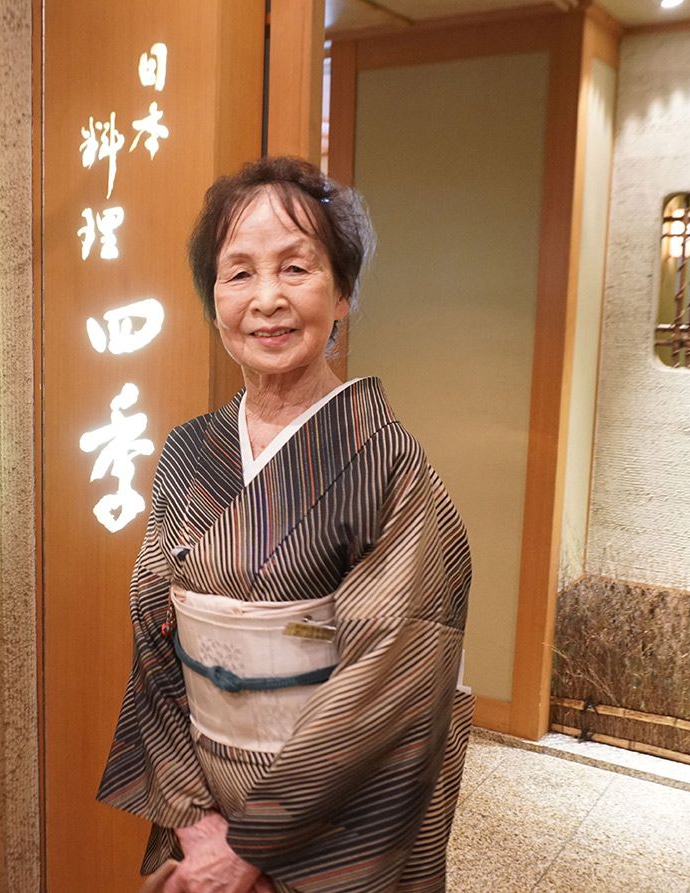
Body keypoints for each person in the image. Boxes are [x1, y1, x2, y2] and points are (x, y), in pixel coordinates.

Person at [97, 156, 473, 893]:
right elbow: (154, 636)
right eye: (239, 273)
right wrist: (195, 822)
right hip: (204, 811)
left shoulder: (386, 463)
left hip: (324, 831)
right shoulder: (188, 452)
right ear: (214, 301)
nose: (267, 299)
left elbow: (391, 678)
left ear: (341, 293)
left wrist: (252, 847)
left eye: (295, 268)